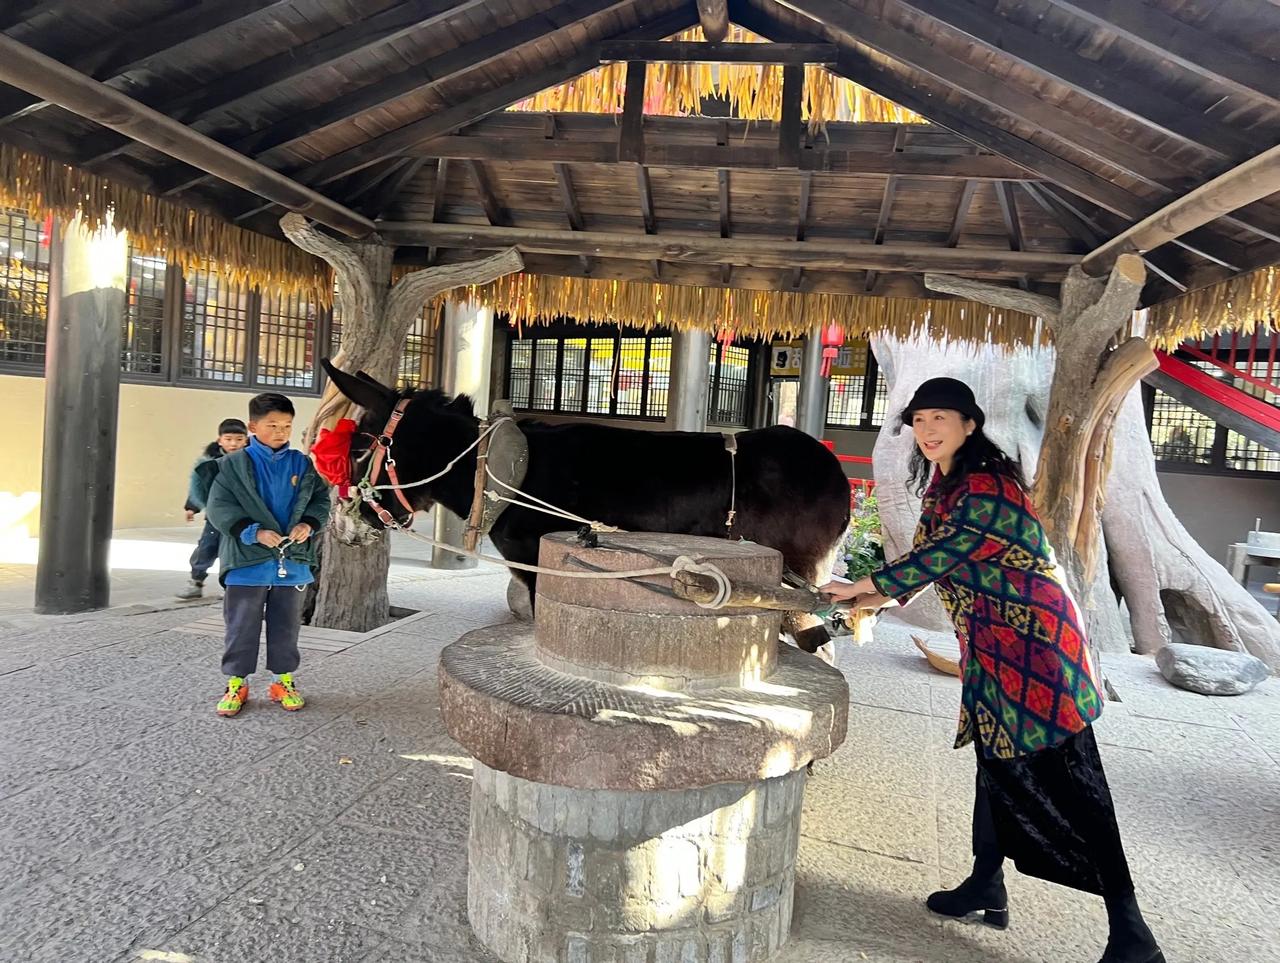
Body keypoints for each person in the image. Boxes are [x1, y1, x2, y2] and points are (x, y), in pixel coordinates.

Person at [822, 377, 1163, 963]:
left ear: (970, 425)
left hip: (1039, 653)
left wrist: (868, 587)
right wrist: (876, 597)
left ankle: (1132, 932)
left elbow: (947, 551)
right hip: (993, 649)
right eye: (920, 419)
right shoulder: (948, 481)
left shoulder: (987, 485)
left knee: (1074, 787)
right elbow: (942, 558)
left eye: (941, 419)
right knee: (995, 765)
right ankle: (987, 881)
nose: (928, 431)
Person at [205, 393, 330, 718]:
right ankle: (236, 683)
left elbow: (320, 500)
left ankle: (282, 681)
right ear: (253, 427)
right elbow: (219, 507)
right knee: (241, 625)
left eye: (287, 426)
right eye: (272, 425)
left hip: (292, 561)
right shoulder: (230, 465)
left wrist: (309, 523)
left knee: (287, 625)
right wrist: (254, 532)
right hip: (247, 561)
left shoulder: (301, 464)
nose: (280, 432)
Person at [176, 419, 249, 600]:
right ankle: (196, 582)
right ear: (220, 440)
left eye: (239, 439)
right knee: (207, 547)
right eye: (229, 439)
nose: (234, 443)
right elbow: (200, 486)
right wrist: (192, 507)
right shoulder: (210, 462)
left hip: (242, 516)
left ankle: (230, 588)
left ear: (246, 440)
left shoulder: (252, 460)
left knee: (233, 552)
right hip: (216, 516)